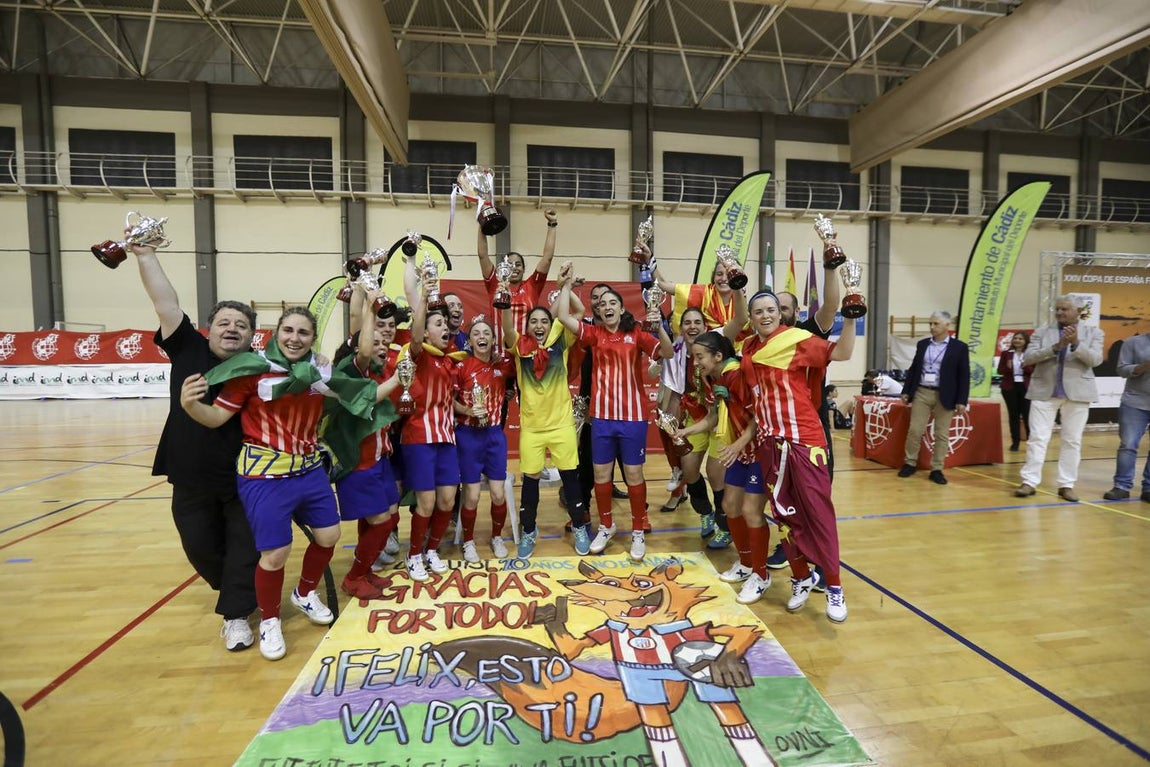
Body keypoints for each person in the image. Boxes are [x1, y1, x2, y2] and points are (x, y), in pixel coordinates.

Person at [181, 307, 391, 661]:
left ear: (312, 338)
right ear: (276, 333)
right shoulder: (251, 371)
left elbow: (362, 383)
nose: (295, 338)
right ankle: (270, 620)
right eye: (289, 331)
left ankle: (305, 593)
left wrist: (399, 374)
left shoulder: (320, 371)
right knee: (275, 555)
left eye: (303, 333)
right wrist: (191, 407)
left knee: (328, 537)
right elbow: (216, 417)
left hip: (309, 470)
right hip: (264, 474)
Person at [131, 242, 260, 652]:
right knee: (201, 547)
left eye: (241, 325)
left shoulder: (259, 367)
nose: (232, 329)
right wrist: (144, 255)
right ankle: (238, 590)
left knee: (244, 547)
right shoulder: (187, 347)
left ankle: (237, 614)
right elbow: (165, 302)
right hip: (190, 476)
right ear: (210, 326)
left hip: (246, 476)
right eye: (225, 322)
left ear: (251, 335)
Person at [742, 288, 856, 621]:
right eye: (758, 311)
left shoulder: (797, 339)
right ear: (752, 318)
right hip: (769, 444)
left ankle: (834, 587)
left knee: (818, 513)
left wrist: (850, 319)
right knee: (782, 515)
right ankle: (801, 577)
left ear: (780, 313)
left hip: (805, 440)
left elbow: (844, 353)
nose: (765, 315)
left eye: (771, 310)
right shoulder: (748, 348)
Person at [557, 281, 673, 560]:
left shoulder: (637, 333)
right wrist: (565, 285)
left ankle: (636, 531)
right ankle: (606, 525)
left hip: (632, 419)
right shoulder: (594, 334)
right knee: (601, 475)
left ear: (622, 309)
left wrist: (659, 328)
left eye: (612, 303)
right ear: (598, 311)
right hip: (602, 420)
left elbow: (667, 353)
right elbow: (562, 316)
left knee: (633, 475)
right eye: (602, 304)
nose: (607, 307)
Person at [505, 263, 594, 556]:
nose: (540, 326)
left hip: (561, 426)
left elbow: (577, 315)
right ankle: (529, 532)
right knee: (530, 483)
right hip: (532, 429)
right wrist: (504, 299)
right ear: (528, 326)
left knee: (571, 479)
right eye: (535, 322)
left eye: (545, 320)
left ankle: (580, 527)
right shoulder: (519, 346)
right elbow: (507, 327)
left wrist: (566, 286)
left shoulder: (560, 339)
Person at [329, 287, 403, 600]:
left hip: (379, 458)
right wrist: (371, 303)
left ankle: (366, 569)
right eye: (375, 341)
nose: (382, 343)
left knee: (383, 516)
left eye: (385, 340)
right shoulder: (352, 371)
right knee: (382, 522)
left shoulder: (374, 370)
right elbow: (361, 335)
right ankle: (355, 576)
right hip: (359, 463)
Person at [399, 256, 465, 580]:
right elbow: (415, 327)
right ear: (424, 331)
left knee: (447, 500)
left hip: (447, 439)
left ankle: (431, 550)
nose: (444, 328)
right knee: (425, 504)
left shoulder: (451, 361)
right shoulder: (419, 353)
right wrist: (423, 292)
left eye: (445, 325)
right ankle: (413, 555)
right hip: (419, 439)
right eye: (437, 324)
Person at [1015, 296, 1104, 502]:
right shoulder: (1041, 332)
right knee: (1037, 438)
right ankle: (1029, 482)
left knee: (1072, 441)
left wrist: (1075, 344)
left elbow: (1096, 360)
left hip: (1078, 394)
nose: (1060, 313)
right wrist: (1056, 347)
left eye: (1065, 309)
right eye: (1057, 309)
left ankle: (1066, 485)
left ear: (1077, 311)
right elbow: (1028, 358)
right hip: (1044, 391)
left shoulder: (1094, 332)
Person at [454, 317, 515, 561]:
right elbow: (449, 401)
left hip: (494, 436)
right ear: (470, 340)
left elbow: (520, 364)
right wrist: (468, 411)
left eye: (487, 333)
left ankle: (497, 536)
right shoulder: (461, 367)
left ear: (492, 340)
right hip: (468, 436)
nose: (482, 337)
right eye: (476, 333)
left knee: (498, 494)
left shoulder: (503, 366)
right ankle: (468, 542)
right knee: (471, 495)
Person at [896, 311, 970, 485]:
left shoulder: (959, 347)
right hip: (922, 391)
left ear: (947, 325)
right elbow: (914, 369)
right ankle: (910, 463)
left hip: (946, 394)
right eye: (930, 323)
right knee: (915, 429)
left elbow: (964, 375)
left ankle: (937, 468)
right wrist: (906, 390)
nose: (932, 327)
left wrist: (962, 400)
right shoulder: (923, 345)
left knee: (942, 434)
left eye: (936, 324)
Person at [477, 208, 557, 339]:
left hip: (526, 356)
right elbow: (482, 256)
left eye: (518, 265)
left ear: (524, 269)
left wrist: (552, 224)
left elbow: (547, 258)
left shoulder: (532, 286)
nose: (514, 268)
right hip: (500, 356)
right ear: (502, 268)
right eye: (509, 265)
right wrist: (482, 224)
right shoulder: (495, 284)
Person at [1104, 331, 1150, 502]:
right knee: (1128, 445)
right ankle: (1121, 486)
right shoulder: (1133, 342)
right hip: (1135, 402)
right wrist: (1142, 367)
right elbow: (1121, 369)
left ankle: (1149, 488)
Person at [997, 331, 1034, 452]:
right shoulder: (1006, 354)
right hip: (1010, 388)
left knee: (1028, 415)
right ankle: (1015, 442)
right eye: (1015, 338)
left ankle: (1031, 441)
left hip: (1025, 387)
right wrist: (1007, 367)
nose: (1017, 340)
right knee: (1013, 416)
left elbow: (1034, 371)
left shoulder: (1030, 354)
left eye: (1020, 339)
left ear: (1026, 341)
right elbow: (1000, 371)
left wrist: (1026, 365)